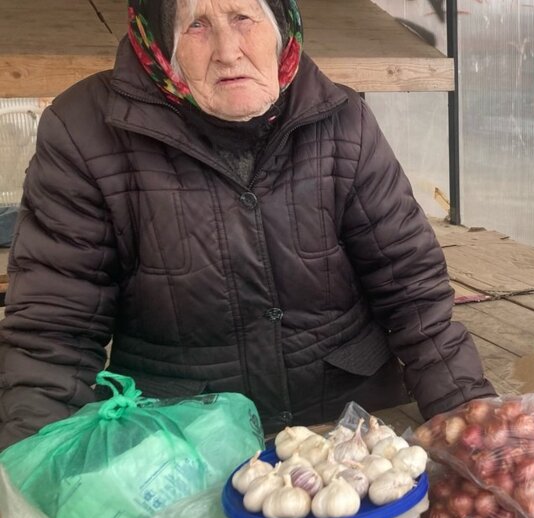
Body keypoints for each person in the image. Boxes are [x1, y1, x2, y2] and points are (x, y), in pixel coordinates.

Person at [0, 0, 496, 450]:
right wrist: (35, 478)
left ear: (281, 24)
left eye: (243, 17)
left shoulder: (343, 119)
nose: (229, 52)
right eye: (196, 25)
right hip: (185, 444)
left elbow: (413, 294)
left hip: (357, 427)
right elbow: (54, 334)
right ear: (154, 40)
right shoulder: (85, 131)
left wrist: (473, 424)